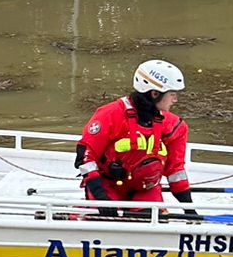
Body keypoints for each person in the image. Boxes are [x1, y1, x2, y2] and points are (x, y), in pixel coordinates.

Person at [75, 59, 200, 220]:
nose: (175, 100)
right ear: (154, 93)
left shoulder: (175, 126)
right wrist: (101, 197)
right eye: (172, 95)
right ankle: (79, 216)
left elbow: (176, 171)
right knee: (106, 221)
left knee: (155, 222)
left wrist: (189, 209)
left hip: (146, 188)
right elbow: (86, 157)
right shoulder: (110, 114)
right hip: (108, 185)